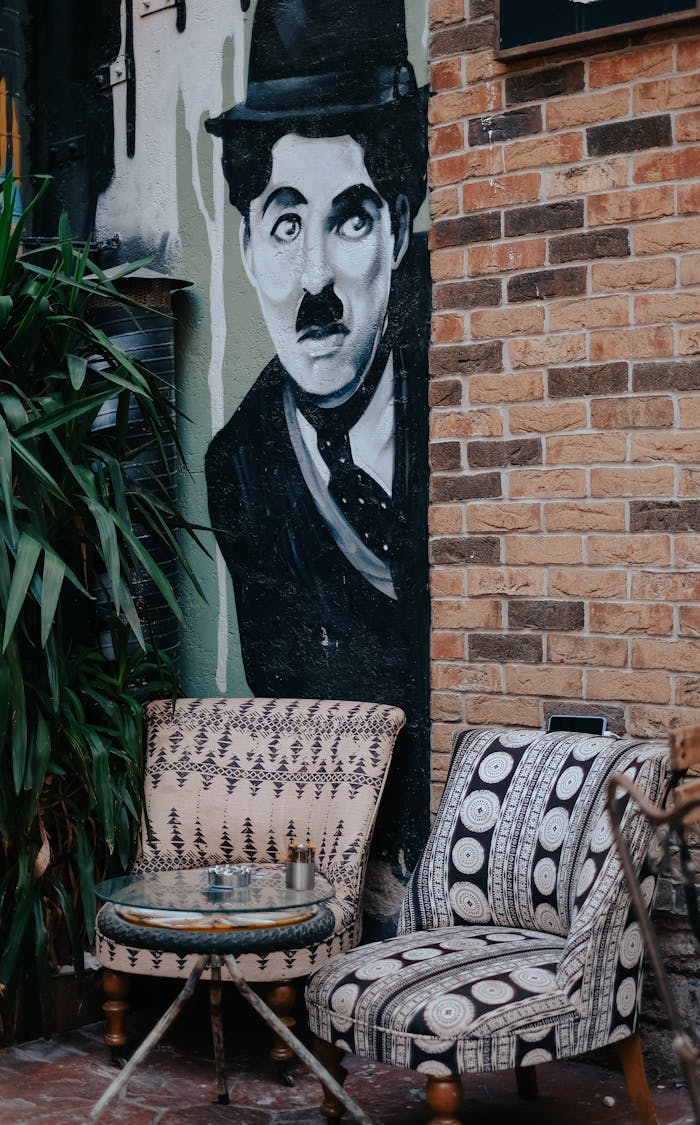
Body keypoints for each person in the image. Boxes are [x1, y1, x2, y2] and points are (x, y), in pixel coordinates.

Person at [204, 0, 430, 881]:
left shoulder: (466, 396)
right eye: (287, 222)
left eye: (352, 219)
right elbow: (301, 718)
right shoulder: (243, 473)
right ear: (251, 248)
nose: (315, 282)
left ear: (401, 231)